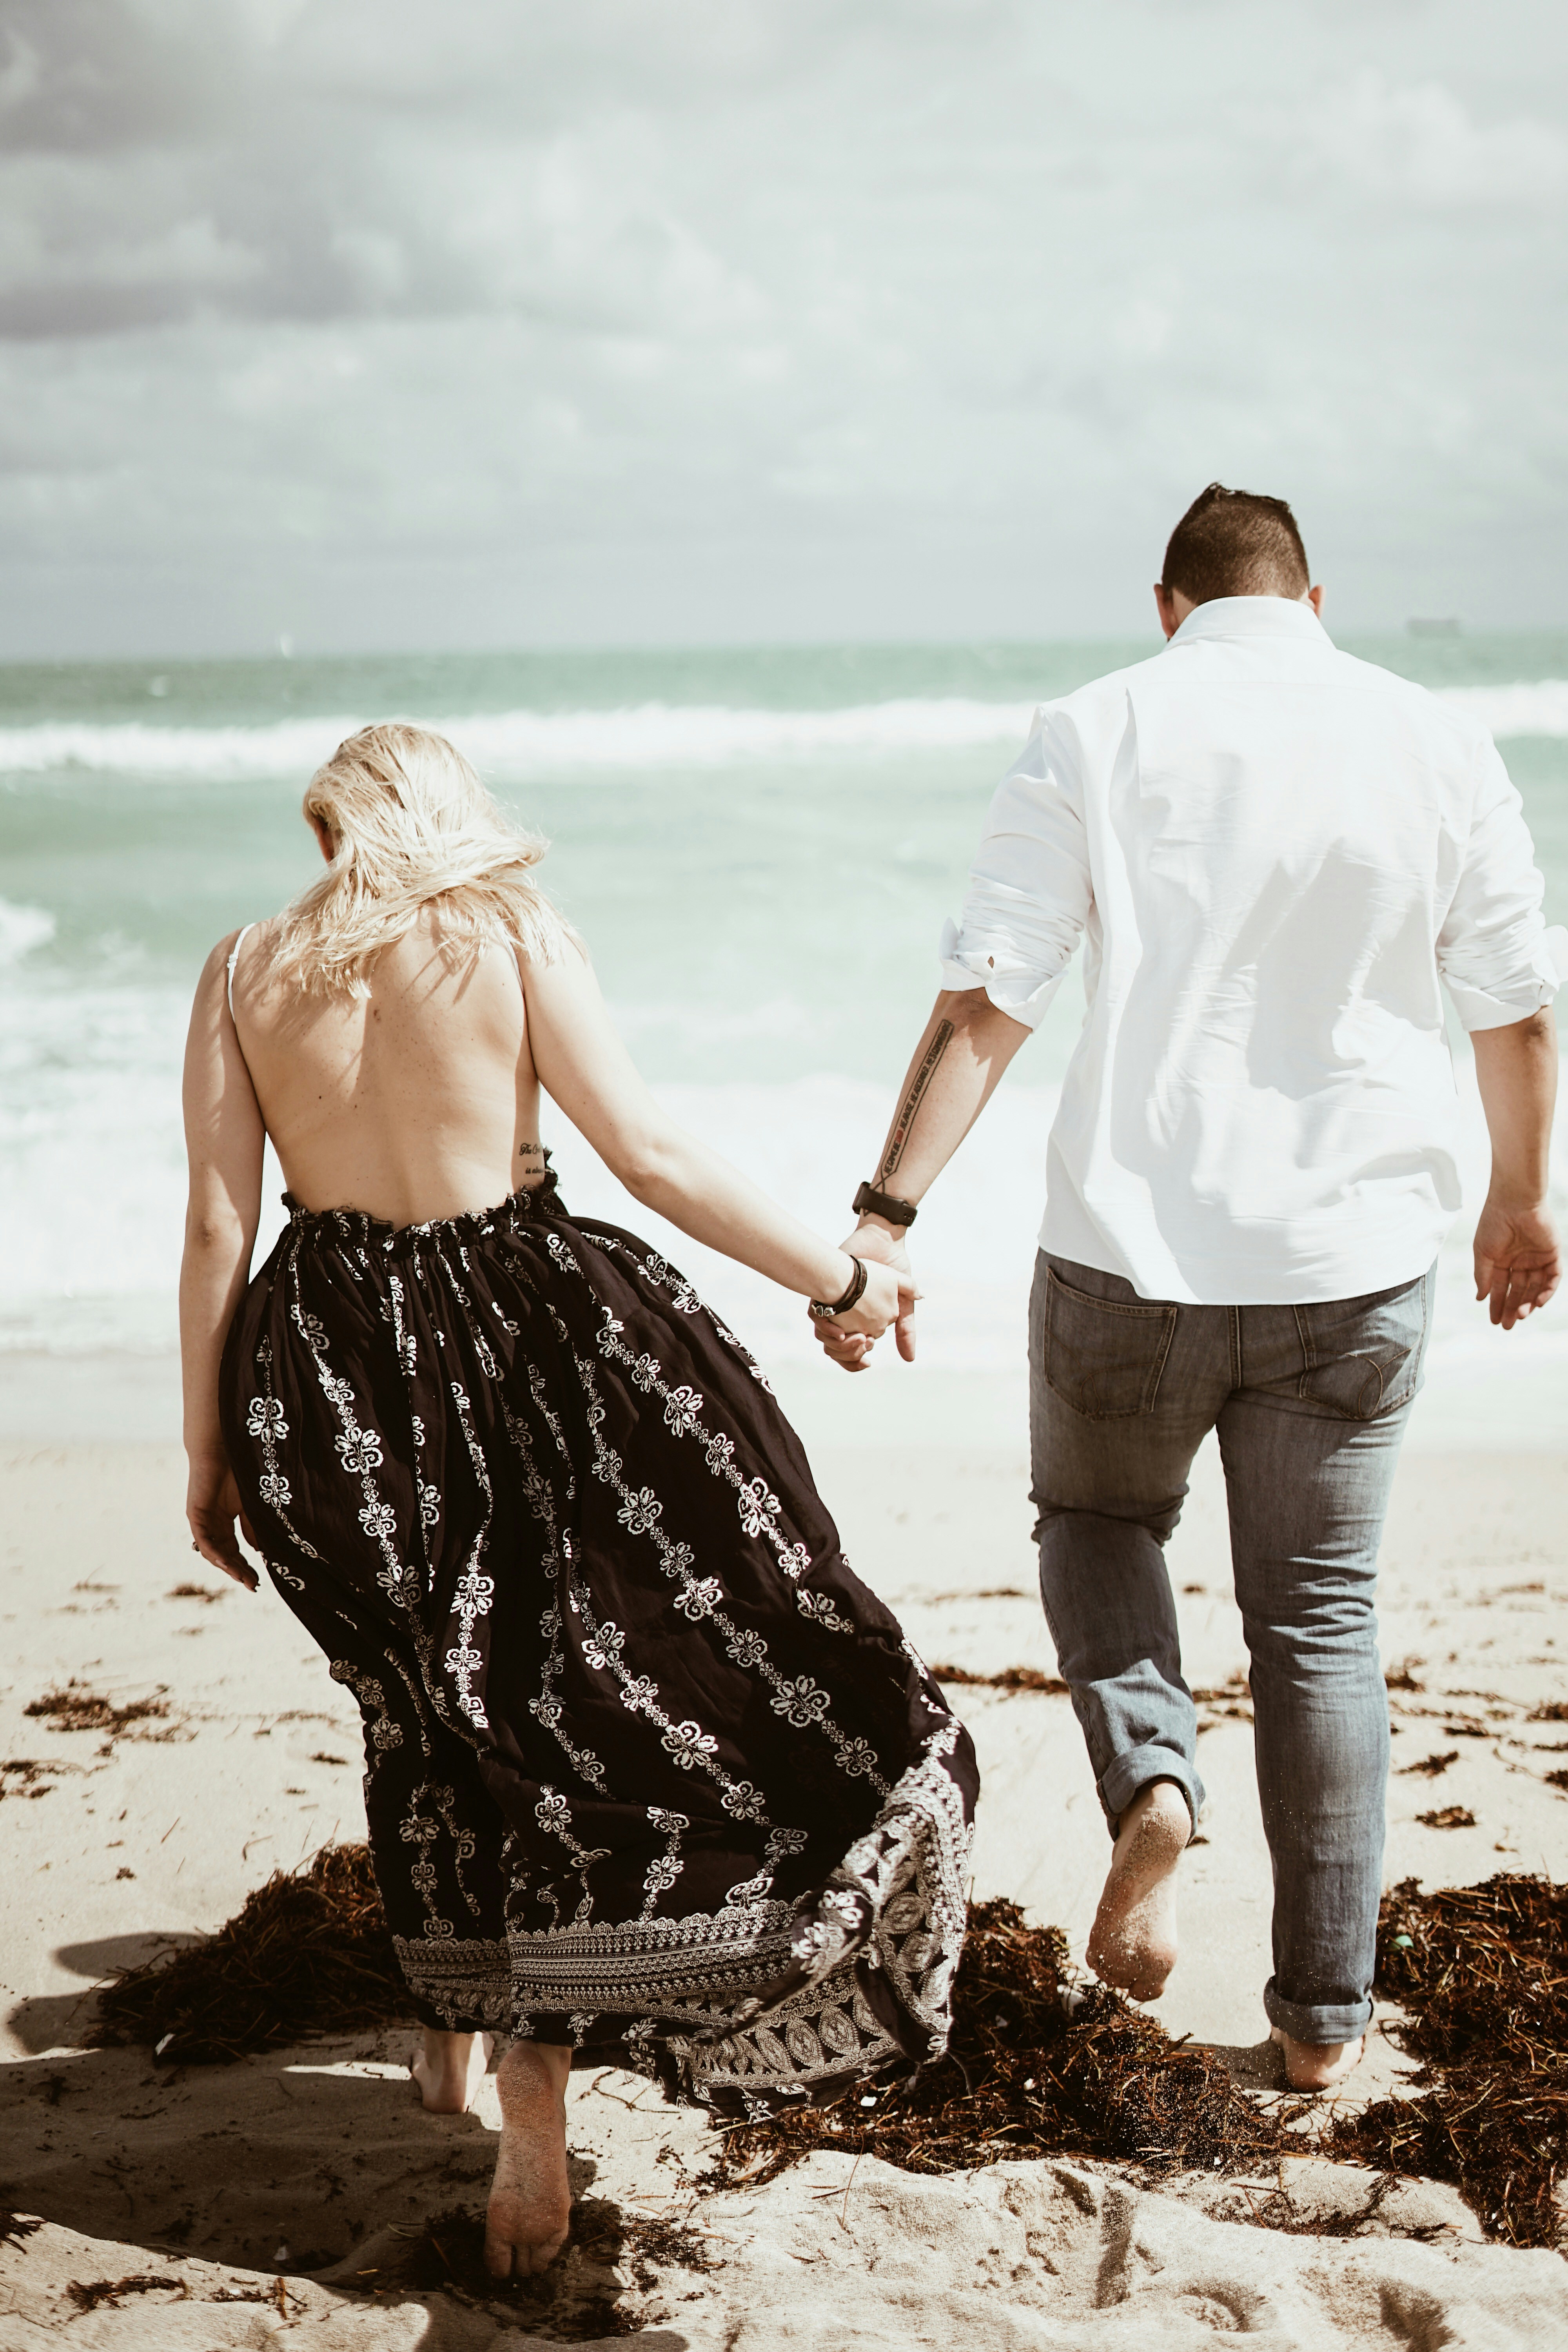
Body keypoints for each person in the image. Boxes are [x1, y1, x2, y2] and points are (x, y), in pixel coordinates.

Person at [179, 722, 977, 2278]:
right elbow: (653, 1154)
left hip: (327, 1376)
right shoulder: (509, 932)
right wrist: (845, 1275)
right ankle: (532, 2094)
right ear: (453, 813)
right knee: (574, 1699)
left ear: (337, 828)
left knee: (430, 1712)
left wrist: (209, 1451)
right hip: (525, 1335)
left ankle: (448, 2040)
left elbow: (218, 1227)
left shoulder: (238, 968)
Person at [817, 484, 1562, 2093]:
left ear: (1167, 606)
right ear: (1316, 598)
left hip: (1127, 1259)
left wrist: (883, 1218)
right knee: (1319, 1621)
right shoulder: (1432, 738)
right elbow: (1514, 1004)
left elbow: (986, 1002)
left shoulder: (1094, 729)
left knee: (1097, 1526)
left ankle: (1152, 1779)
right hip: (1353, 1265)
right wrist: (1517, 1202)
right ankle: (1317, 2023)